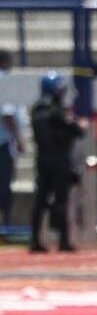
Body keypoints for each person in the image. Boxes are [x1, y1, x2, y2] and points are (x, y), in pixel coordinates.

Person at [29, 72, 86, 253]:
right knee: (61, 200)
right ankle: (63, 241)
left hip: (42, 158)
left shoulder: (36, 110)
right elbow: (77, 130)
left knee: (40, 201)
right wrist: (78, 124)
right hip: (59, 160)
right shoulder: (57, 112)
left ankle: (35, 240)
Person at [0, 51, 25, 227]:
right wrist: (19, 137)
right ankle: (4, 223)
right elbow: (7, 114)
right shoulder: (4, 80)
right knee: (3, 184)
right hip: (3, 142)